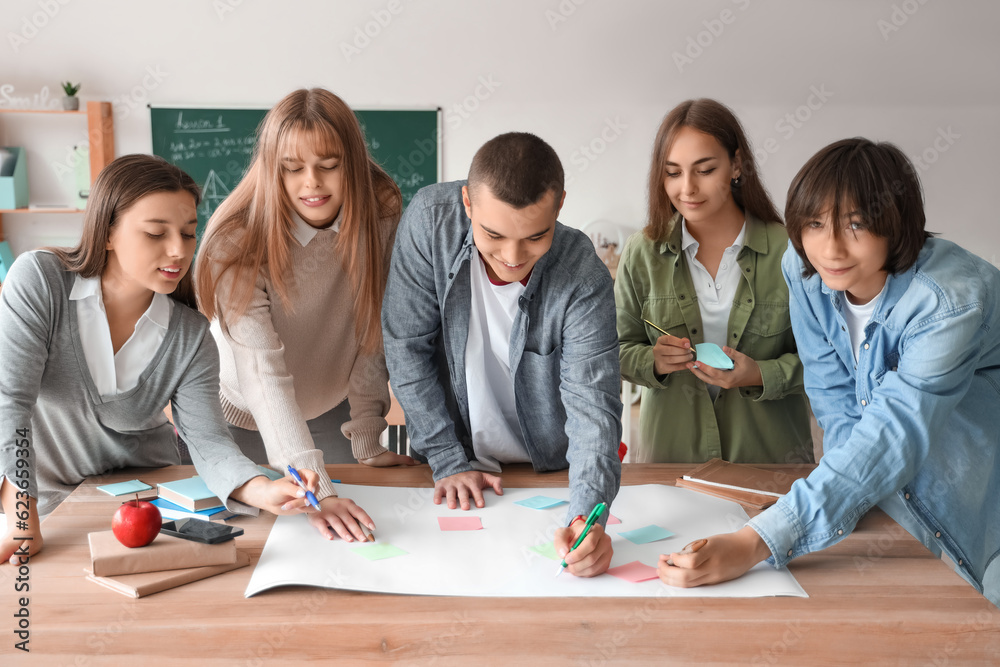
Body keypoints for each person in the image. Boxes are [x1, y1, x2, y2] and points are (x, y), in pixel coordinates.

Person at [659, 138, 1000, 608]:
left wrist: (755, 541)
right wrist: (849, 501)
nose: (830, 248)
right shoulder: (804, 270)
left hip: (979, 473)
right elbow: (835, 397)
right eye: (815, 224)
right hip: (917, 469)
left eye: (856, 225)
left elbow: (892, 432)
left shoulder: (947, 303)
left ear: (896, 226)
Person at [0, 154, 342, 565]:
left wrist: (262, 490)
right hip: (48, 505)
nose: (178, 251)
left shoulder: (191, 334)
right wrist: (22, 522)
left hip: (153, 505)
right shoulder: (40, 281)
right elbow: (10, 403)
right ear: (107, 232)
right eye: (155, 233)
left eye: (188, 233)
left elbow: (209, 442)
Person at [382, 132, 622, 577]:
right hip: (452, 464)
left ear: (560, 205)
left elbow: (593, 408)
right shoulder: (430, 222)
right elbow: (406, 346)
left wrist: (586, 518)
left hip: (547, 468)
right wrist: (447, 460)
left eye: (535, 236)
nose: (512, 257)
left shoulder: (583, 276)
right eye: (493, 235)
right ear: (468, 202)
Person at [196, 88, 415, 538]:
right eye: (291, 169)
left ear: (352, 162)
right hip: (238, 416)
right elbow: (261, 374)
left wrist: (370, 434)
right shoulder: (234, 241)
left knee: (339, 535)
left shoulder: (381, 211)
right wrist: (313, 481)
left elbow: (373, 329)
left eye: (329, 166)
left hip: (330, 410)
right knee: (250, 545)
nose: (311, 182)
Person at [616, 98, 812, 463]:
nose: (687, 188)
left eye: (704, 170)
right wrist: (653, 361)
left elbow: (829, 359)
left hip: (770, 464)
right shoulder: (641, 253)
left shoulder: (791, 251)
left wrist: (760, 373)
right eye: (673, 173)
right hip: (670, 462)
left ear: (736, 165)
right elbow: (613, 351)